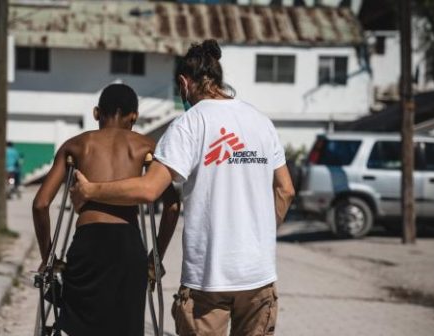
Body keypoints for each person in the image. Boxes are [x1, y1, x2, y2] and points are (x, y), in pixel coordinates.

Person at [71, 40, 296, 335]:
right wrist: (259, 236)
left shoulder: (189, 124)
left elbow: (150, 189)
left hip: (209, 281)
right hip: (259, 278)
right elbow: (286, 190)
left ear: (184, 83)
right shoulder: (261, 122)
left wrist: (90, 191)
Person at [32, 84, 180, 336]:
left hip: (87, 247)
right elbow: (172, 206)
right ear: (134, 116)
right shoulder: (146, 145)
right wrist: (155, 259)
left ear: (96, 113)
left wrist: (48, 257)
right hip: (128, 248)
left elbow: (40, 204)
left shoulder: (76, 145)